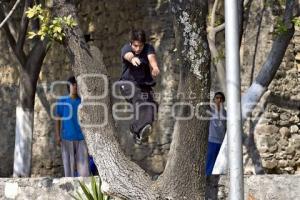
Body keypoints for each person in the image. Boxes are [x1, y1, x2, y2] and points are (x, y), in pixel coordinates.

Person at [119, 29, 160, 144]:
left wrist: (155, 67)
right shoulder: (126, 48)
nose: (137, 49)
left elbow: (151, 58)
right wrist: (133, 59)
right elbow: (128, 55)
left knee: (153, 106)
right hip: (127, 84)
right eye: (135, 46)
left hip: (144, 85)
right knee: (141, 101)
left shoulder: (148, 48)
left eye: (140, 46)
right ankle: (135, 128)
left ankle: (139, 134)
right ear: (131, 43)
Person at [55, 76, 90, 177]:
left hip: (82, 139)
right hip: (67, 139)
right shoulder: (62, 101)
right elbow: (57, 119)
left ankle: (84, 191)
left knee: (84, 172)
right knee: (69, 171)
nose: (75, 87)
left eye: (76, 85)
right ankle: (70, 192)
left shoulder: (83, 102)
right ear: (68, 87)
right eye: (72, 85)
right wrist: (57, 135)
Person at [206, 92, 227, 175]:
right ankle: (207, 179)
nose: (219, 100)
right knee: (210, 162)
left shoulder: (225, 112)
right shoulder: (210, 111)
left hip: (221, 141)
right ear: (214, 100)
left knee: (219, 163)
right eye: (217, 98)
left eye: (221, 98)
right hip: (211, 140)